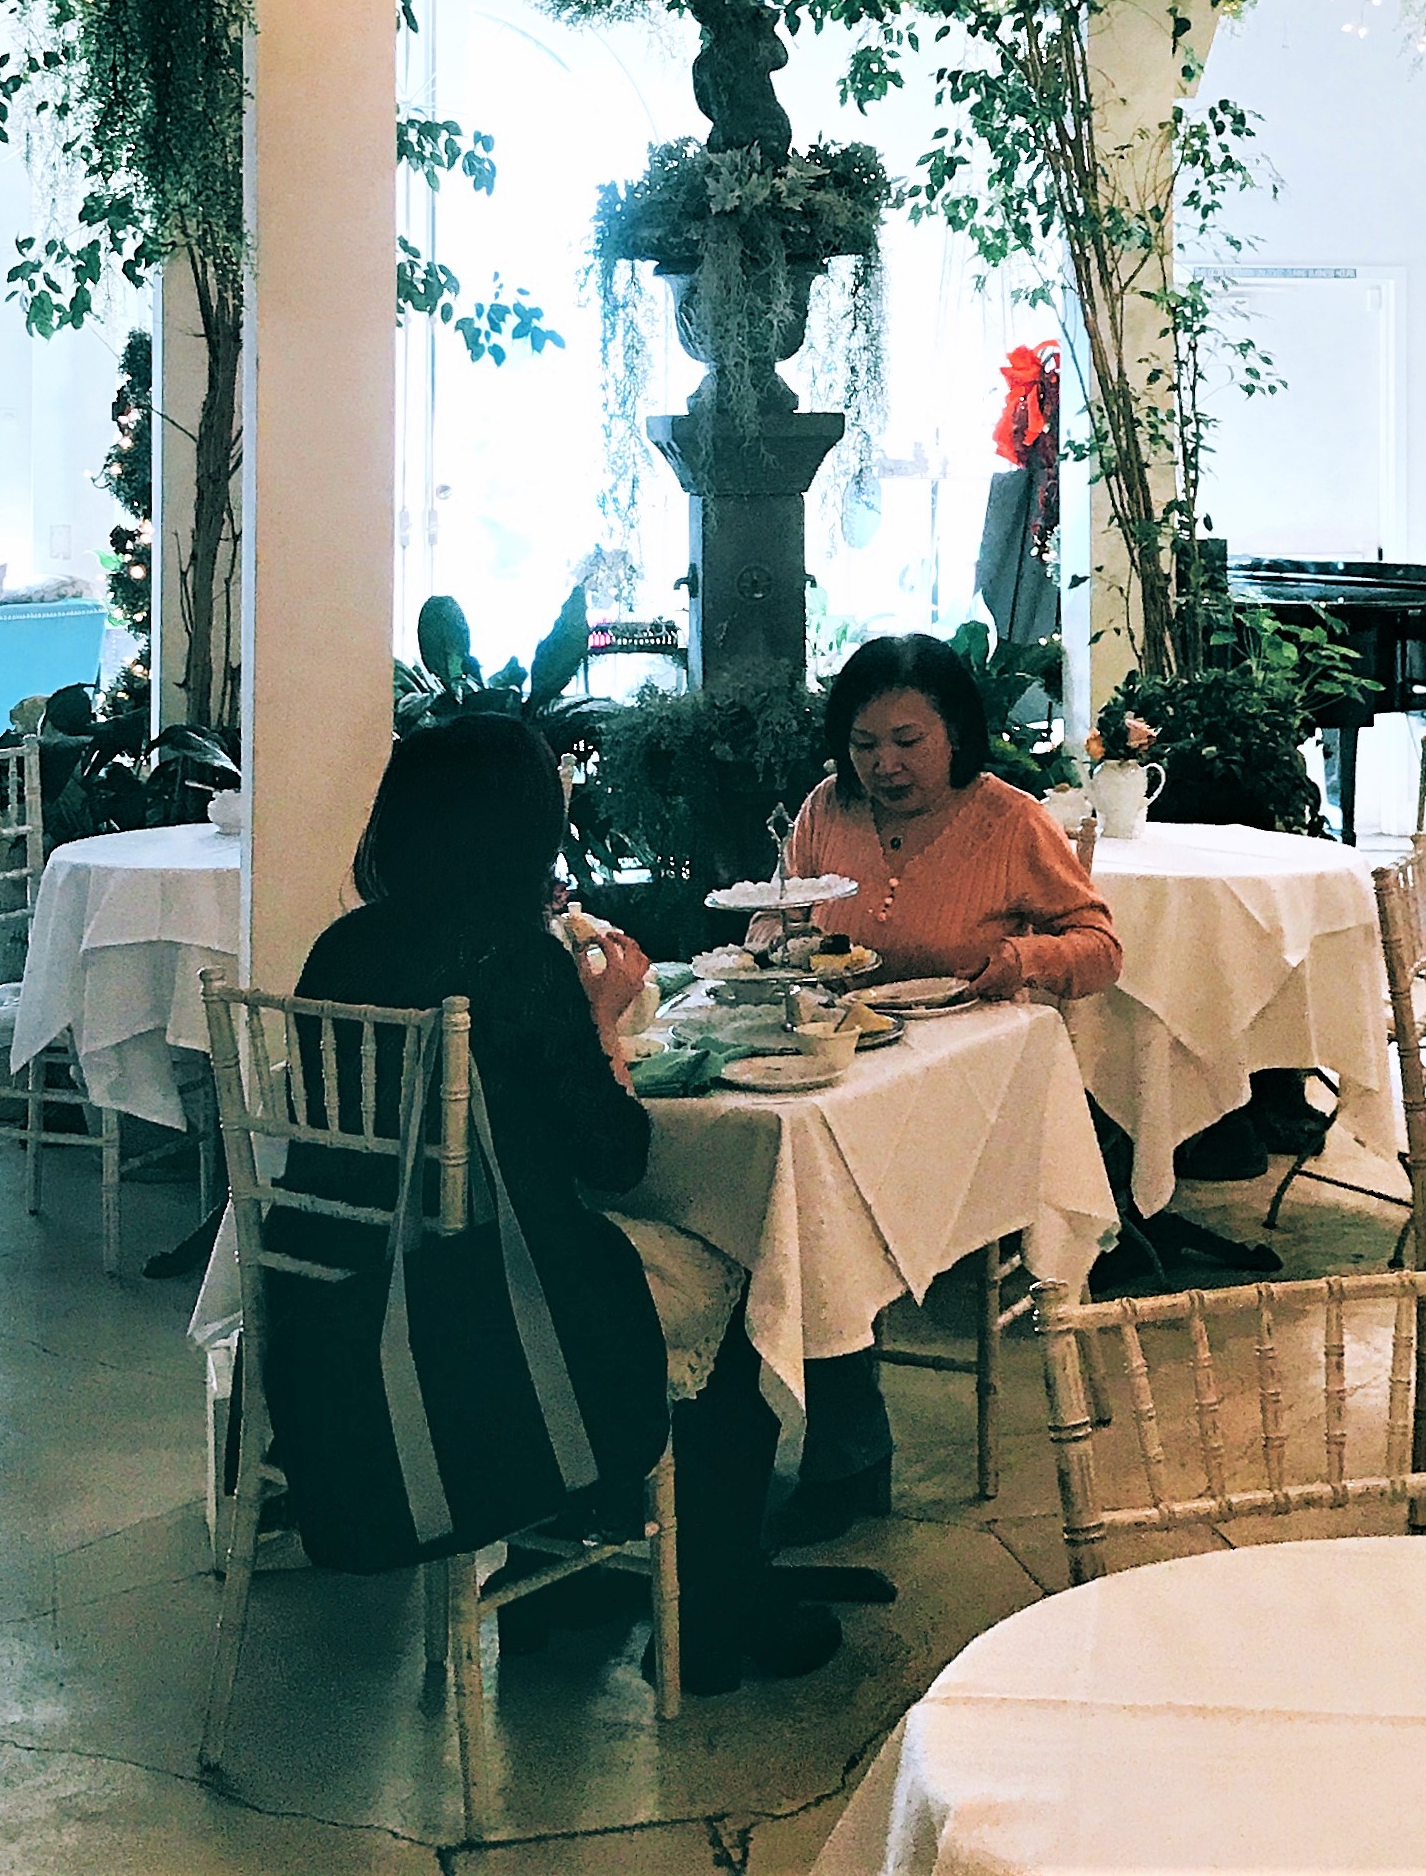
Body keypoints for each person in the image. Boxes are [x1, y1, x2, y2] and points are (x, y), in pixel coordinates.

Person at [258, 713, 846, 1688]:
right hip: (480, 1307)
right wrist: (602, 1017)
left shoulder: (341, 948)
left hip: (339, 1293)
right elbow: (614, 1158)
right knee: (741, 1273)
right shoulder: (516, 961)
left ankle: (559, 1579)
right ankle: (714, 1606)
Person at [776, 632, 1123, 1540]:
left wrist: (1024, 958)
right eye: (863, 744)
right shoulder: (825, 809)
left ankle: (845, 1448)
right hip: (844, 1070)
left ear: (956, 733)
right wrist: (775, 950)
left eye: (907, 740)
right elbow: (784, 918)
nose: (882, 765)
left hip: (960, 1099)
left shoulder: (1008, 821)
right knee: (787, 1180)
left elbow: (1100, 947)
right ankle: (808, 1441)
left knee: (812, 1195)